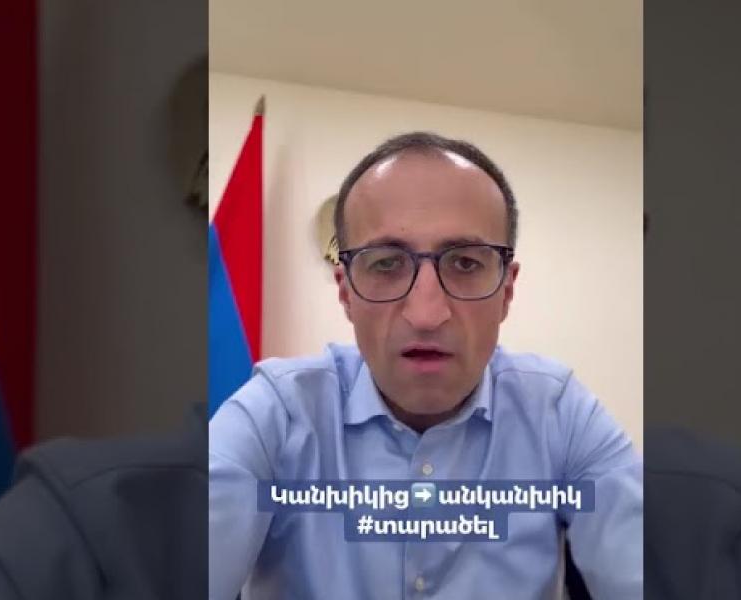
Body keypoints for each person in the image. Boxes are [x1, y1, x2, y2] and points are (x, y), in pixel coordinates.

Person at [208, 132, 644, 599]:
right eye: (385, 264)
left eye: (466, 263)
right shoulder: (276, 413)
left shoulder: (559, 413)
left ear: (507, 290)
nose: (426, 314)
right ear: (346, 292)